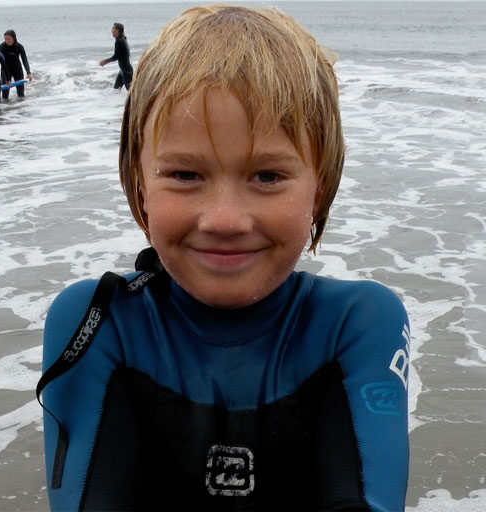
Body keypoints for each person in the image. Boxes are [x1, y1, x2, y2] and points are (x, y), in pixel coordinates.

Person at [41, 5, 410, 511]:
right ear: (140, 184)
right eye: (185, 175)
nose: (225, 219)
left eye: (267, 176)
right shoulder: (97, 321)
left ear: (318, 191)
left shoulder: (356, 323)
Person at [0, 29, 32, 99]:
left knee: (21, 93)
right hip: (6, 71)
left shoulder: (19, 46)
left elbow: (24, 60)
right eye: (5, 39)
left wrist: (28, 72)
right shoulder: (1, 47)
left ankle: (21, 108)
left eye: (9, 39)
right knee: (5, 95)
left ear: (14, 38)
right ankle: (5, 108)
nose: (7, 41)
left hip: (17, 69)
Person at [99, 22, 133, 90]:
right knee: (116, 89)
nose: (111, 31)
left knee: (131, 91)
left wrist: (106, 61)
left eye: (113, 28)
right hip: (124, 69)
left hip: (126, 71)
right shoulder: (122, 38)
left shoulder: (119, 41)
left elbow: (116, 56)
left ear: (117, 31)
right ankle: (117, 100)